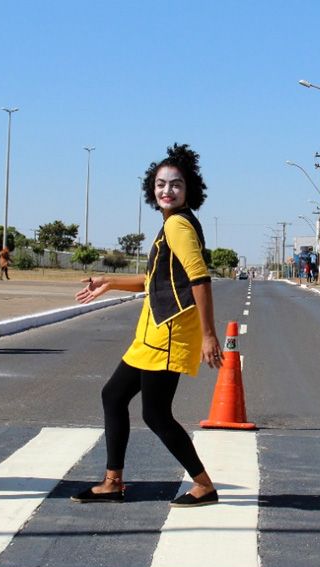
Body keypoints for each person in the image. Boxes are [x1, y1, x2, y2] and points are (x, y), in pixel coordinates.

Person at [71, 143, 222, 508]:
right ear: (151, 189)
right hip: (153, 331)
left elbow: (200, 278)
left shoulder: (178, 225)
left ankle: (203, 485)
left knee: (155, 413)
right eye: (160, 184)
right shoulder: (171, 224)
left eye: (176, 184)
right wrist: (109, 283)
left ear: (189, 189)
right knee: (113, 395)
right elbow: (154, 279)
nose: (167, 190)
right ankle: (112, 482)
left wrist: (208, 335)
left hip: (169, 331)